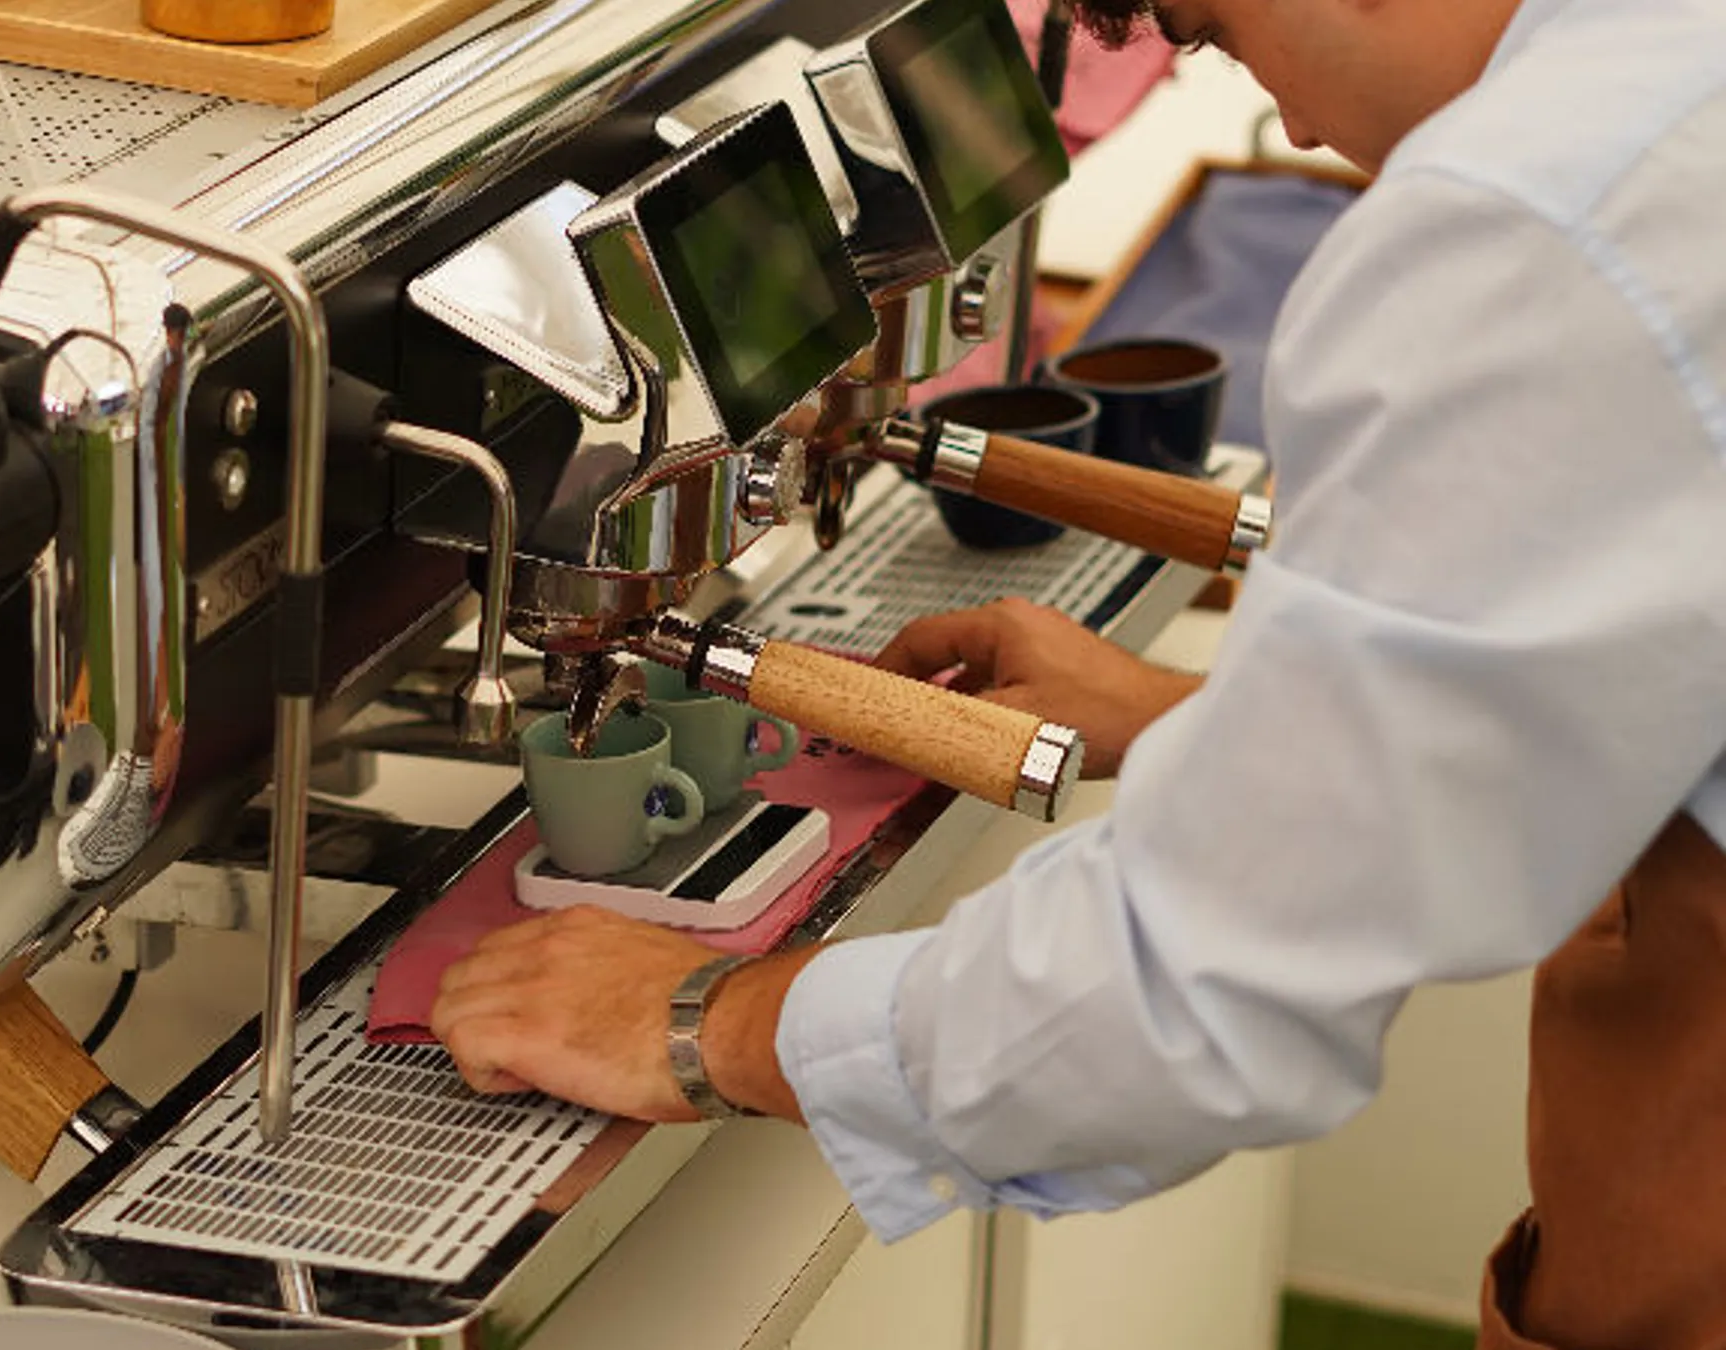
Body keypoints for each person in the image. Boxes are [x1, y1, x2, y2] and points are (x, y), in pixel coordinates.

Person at [429, 0, 1726, 1345]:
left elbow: (1189, 989)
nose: (1297, 127)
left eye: (1215, 32)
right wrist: (1228, 726)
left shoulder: (1548, 222)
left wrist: (705, 1018)